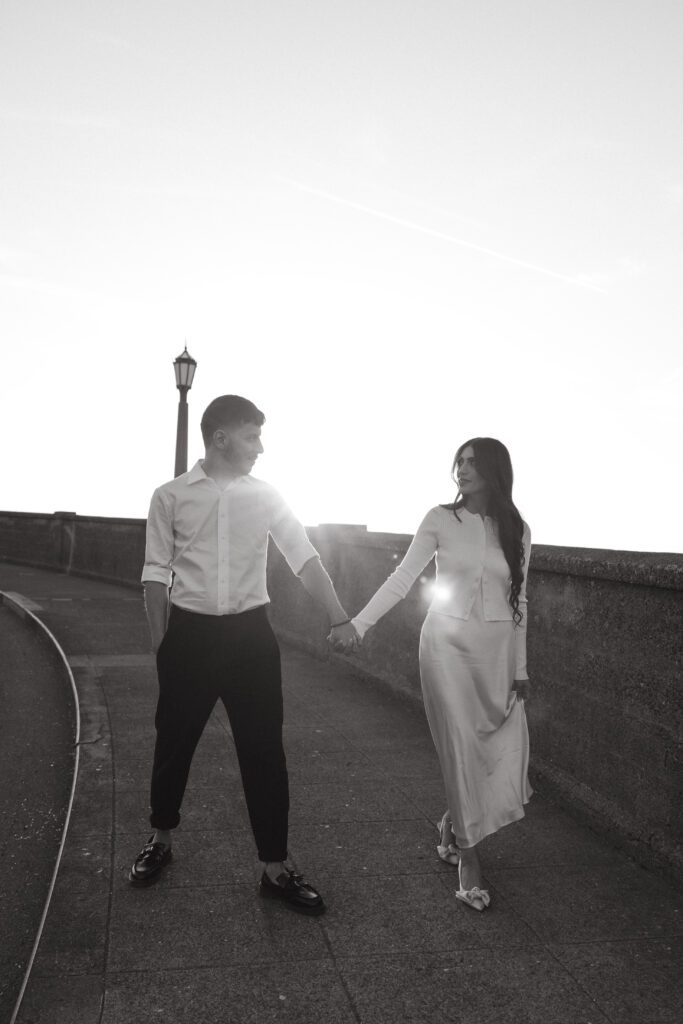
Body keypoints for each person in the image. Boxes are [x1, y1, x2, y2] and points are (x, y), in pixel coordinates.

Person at [129, 395, 358, 914]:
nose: (261, 447)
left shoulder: (267, 496)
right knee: (174, 743)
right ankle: (160, 840)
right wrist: (162, 645)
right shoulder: (169, 496)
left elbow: (304, 556)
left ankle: (274, 869)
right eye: (252, 436)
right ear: (220, 438)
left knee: (264, 753)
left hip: (251, 638)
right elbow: (155, 571)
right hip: (188, 637)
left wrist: (339, 615)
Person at [343, 437, 532, 912]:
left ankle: (453, 823)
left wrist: (520, 667)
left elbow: (521, 601)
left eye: (472, 462)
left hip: (493, 653)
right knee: (458, 745)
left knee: (484, 746)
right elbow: (403, 578)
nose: (462, 470)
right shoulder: (440, 519)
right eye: (459, 462)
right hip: (444, 647)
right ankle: (469, 858)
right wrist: (358, 625)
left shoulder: (519, 529)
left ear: (495, 470)